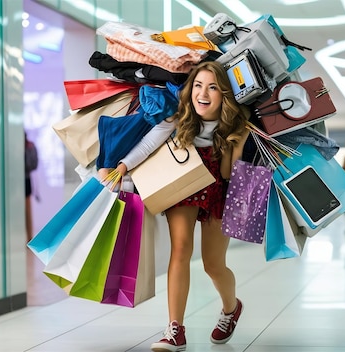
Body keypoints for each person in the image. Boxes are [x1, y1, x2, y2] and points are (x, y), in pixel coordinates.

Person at [102, 61, 251, 351]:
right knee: (180, 250)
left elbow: (226, 174)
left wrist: (236, 140)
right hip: (183, 180)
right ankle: (175, 330)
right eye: (197, 86)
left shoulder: (236, 125)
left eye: (211, 87)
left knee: (213, 264)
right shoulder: (177, 117)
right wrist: (122, 166)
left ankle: (231, 309)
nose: (202, 94)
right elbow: (148, 144)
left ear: (223, 94)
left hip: (221, 187)